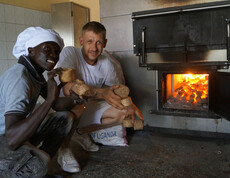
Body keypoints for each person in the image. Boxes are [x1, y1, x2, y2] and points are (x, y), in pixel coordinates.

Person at [56, 21, 144, 169]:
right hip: (66, 106)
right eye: (89, 41)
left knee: (124, 112)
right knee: (75, 102)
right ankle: (63, 149)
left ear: (105, 43)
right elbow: (68, 88)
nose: (94, 47)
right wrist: (102, 92)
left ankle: (80, 133)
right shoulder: (70, 53)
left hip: (88, 105)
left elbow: (115, 90)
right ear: (81, 41)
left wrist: (132, 106)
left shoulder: (106, 63)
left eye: (99, 42)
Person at [0, 27, 83, 177]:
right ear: (31, 51)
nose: (54, 55)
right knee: (39, 164)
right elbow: (12, 139)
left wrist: (73, 99)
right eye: (47, 49)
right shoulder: (19, 79)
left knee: (64, 118)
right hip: (5, 138)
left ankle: (32, 164)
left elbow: (57, 105)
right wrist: (50, 98)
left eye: (57, 52)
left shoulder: (35, 74)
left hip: (14, 135)